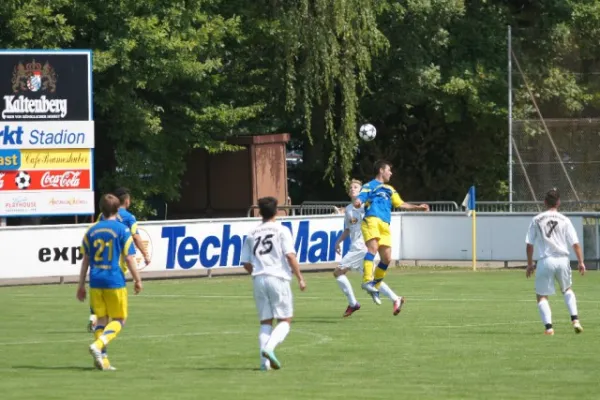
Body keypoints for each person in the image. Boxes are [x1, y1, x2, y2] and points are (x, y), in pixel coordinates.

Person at [76, 194, 143, 370]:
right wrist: (137, 279)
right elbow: (129, 258)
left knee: (101, 320)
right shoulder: (122, 229)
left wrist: (81, 284)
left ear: (101, 210)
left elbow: (86, 259)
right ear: (118, 209)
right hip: (114, 280)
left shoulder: (91, 230)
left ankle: (103, 360)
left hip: (95, 281)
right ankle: (98, 346)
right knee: (120, 319)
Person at [240, 196, 306, 371]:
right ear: (277, 211)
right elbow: (290, 255)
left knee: (265, 322)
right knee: (285, 320)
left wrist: (257, 273)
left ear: (259, 212)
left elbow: (246, 263)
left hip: (259, 279)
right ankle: (269, 348)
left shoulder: (251, 234)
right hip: (278, 278)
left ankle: (264, 364)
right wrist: (300, 277)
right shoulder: (282, 230)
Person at [353, 160, 429, 295]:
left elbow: (401, 204)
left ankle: (374, 287)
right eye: (389, 170)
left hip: (385, 224)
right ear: (381, 170)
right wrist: (358, 202)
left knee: (387, 259)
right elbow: (361, 197)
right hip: (372, 219)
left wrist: (418, 207)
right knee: (373, 248)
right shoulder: (369, 185)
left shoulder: (390, 189)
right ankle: (366, 281)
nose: (391, 173)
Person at [334, 179, 404, 317]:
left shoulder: (366, 205)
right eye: (351, 187)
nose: (353, 189)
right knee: (371, 279)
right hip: (356, 247)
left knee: (338, 272)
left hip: (361, 247)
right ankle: (396, 298)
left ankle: (353, 303)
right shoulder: (348, 209)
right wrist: (338, 242)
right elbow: (348, 229)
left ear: (361, 191)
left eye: (356, 187)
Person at [88, 187, 151, 332]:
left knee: (98, 287)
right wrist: (145, 253)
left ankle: (94, 316)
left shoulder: (102, 216)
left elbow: (95, 231)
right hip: (119, 259)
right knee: (114, 290)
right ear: (127, 201)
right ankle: (109, 326)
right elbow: (135, 236)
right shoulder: (129, 217)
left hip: (100, 259)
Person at [525, 188, 585, 335]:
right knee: (567, 289)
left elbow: (529, 244)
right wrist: (581, 262)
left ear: (545, 202)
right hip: (563, 260)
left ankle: (549, 328)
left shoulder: (537, 219)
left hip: (546, 260)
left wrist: (529, 264)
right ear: (558, 202)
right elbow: (575, 243)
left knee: (541, 296)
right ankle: (575, 320)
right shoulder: (565, 220)